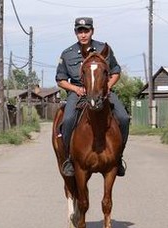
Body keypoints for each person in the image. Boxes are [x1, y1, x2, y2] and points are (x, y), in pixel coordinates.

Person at [55, 17, 129, 177]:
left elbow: (116, 71)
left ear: (92, 31)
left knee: (123, 117)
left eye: (86, 31)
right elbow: (60, 80)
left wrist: (107, 86)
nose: (83, 34)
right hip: (78, 93)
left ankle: (118, 157)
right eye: (79, 31)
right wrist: (75, 88)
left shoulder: (104, 49)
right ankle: (69, 159)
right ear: (75, 32)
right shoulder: (67, 54)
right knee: (67, 120)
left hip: (103, 91)